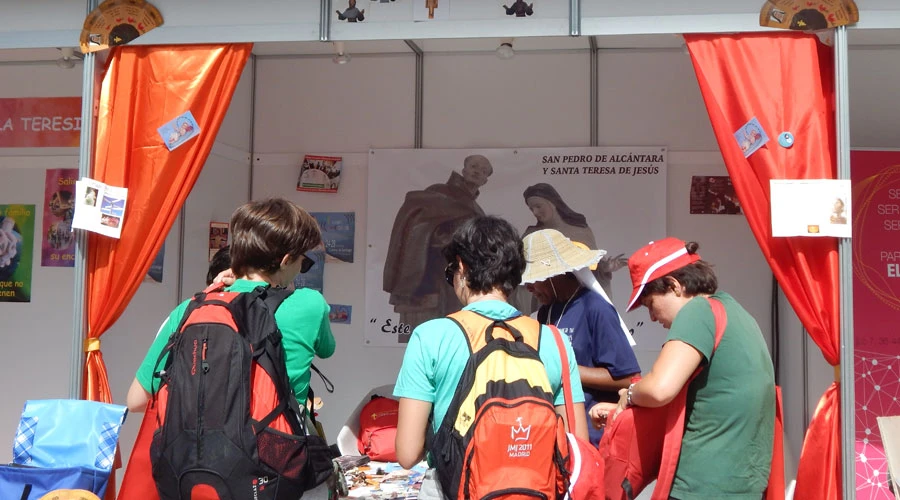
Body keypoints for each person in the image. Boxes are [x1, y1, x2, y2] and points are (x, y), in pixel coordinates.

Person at [393, 216, 589, 491]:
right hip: (536, 491)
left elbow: (407, 453)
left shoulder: (430, 336)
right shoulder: (554, 341)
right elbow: (576, 443)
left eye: (451, 273)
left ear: (462, 267)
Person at [590, 237, 775, 500]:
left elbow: (659, 389)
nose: (652, 317)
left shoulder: (698, 311)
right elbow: (713, 401)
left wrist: (628, 395)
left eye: (650, 304)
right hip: (741, 484)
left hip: (702, 486)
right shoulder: (736, 312)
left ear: (675, 286)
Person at [126, 198, 336, 414]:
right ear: (285, 260)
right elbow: (327, 349)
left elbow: (137, 400)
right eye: (303, 262)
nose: (302, 268)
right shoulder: (311, 304)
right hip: (276, 444)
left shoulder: (191, 309)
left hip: (200, 446)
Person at [522, 229, 640, 447]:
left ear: (556, 274)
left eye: (535, 279)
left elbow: (628, 378)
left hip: (593, 440)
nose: (529, 287)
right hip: (557, 438)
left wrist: (565, 368)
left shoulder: (595, 309)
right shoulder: (546, 312)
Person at [382, 155, 494, 330]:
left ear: (486, 180)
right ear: (464, 170)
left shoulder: (476, 209)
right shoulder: (439, 192)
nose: (478, 172)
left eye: (484, 171)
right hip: (428, 286)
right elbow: (416, 229)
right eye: (474, 166)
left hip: (456, 287)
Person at [521, 183, 626, 298]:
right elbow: (522, 270)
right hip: (546, 298)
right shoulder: (532, 236)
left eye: (538, 206)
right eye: (531, 209)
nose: (535, 212)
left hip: (579, 298)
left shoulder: (580, 231)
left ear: (552, 203)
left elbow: (590, 266)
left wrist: (604, 268)